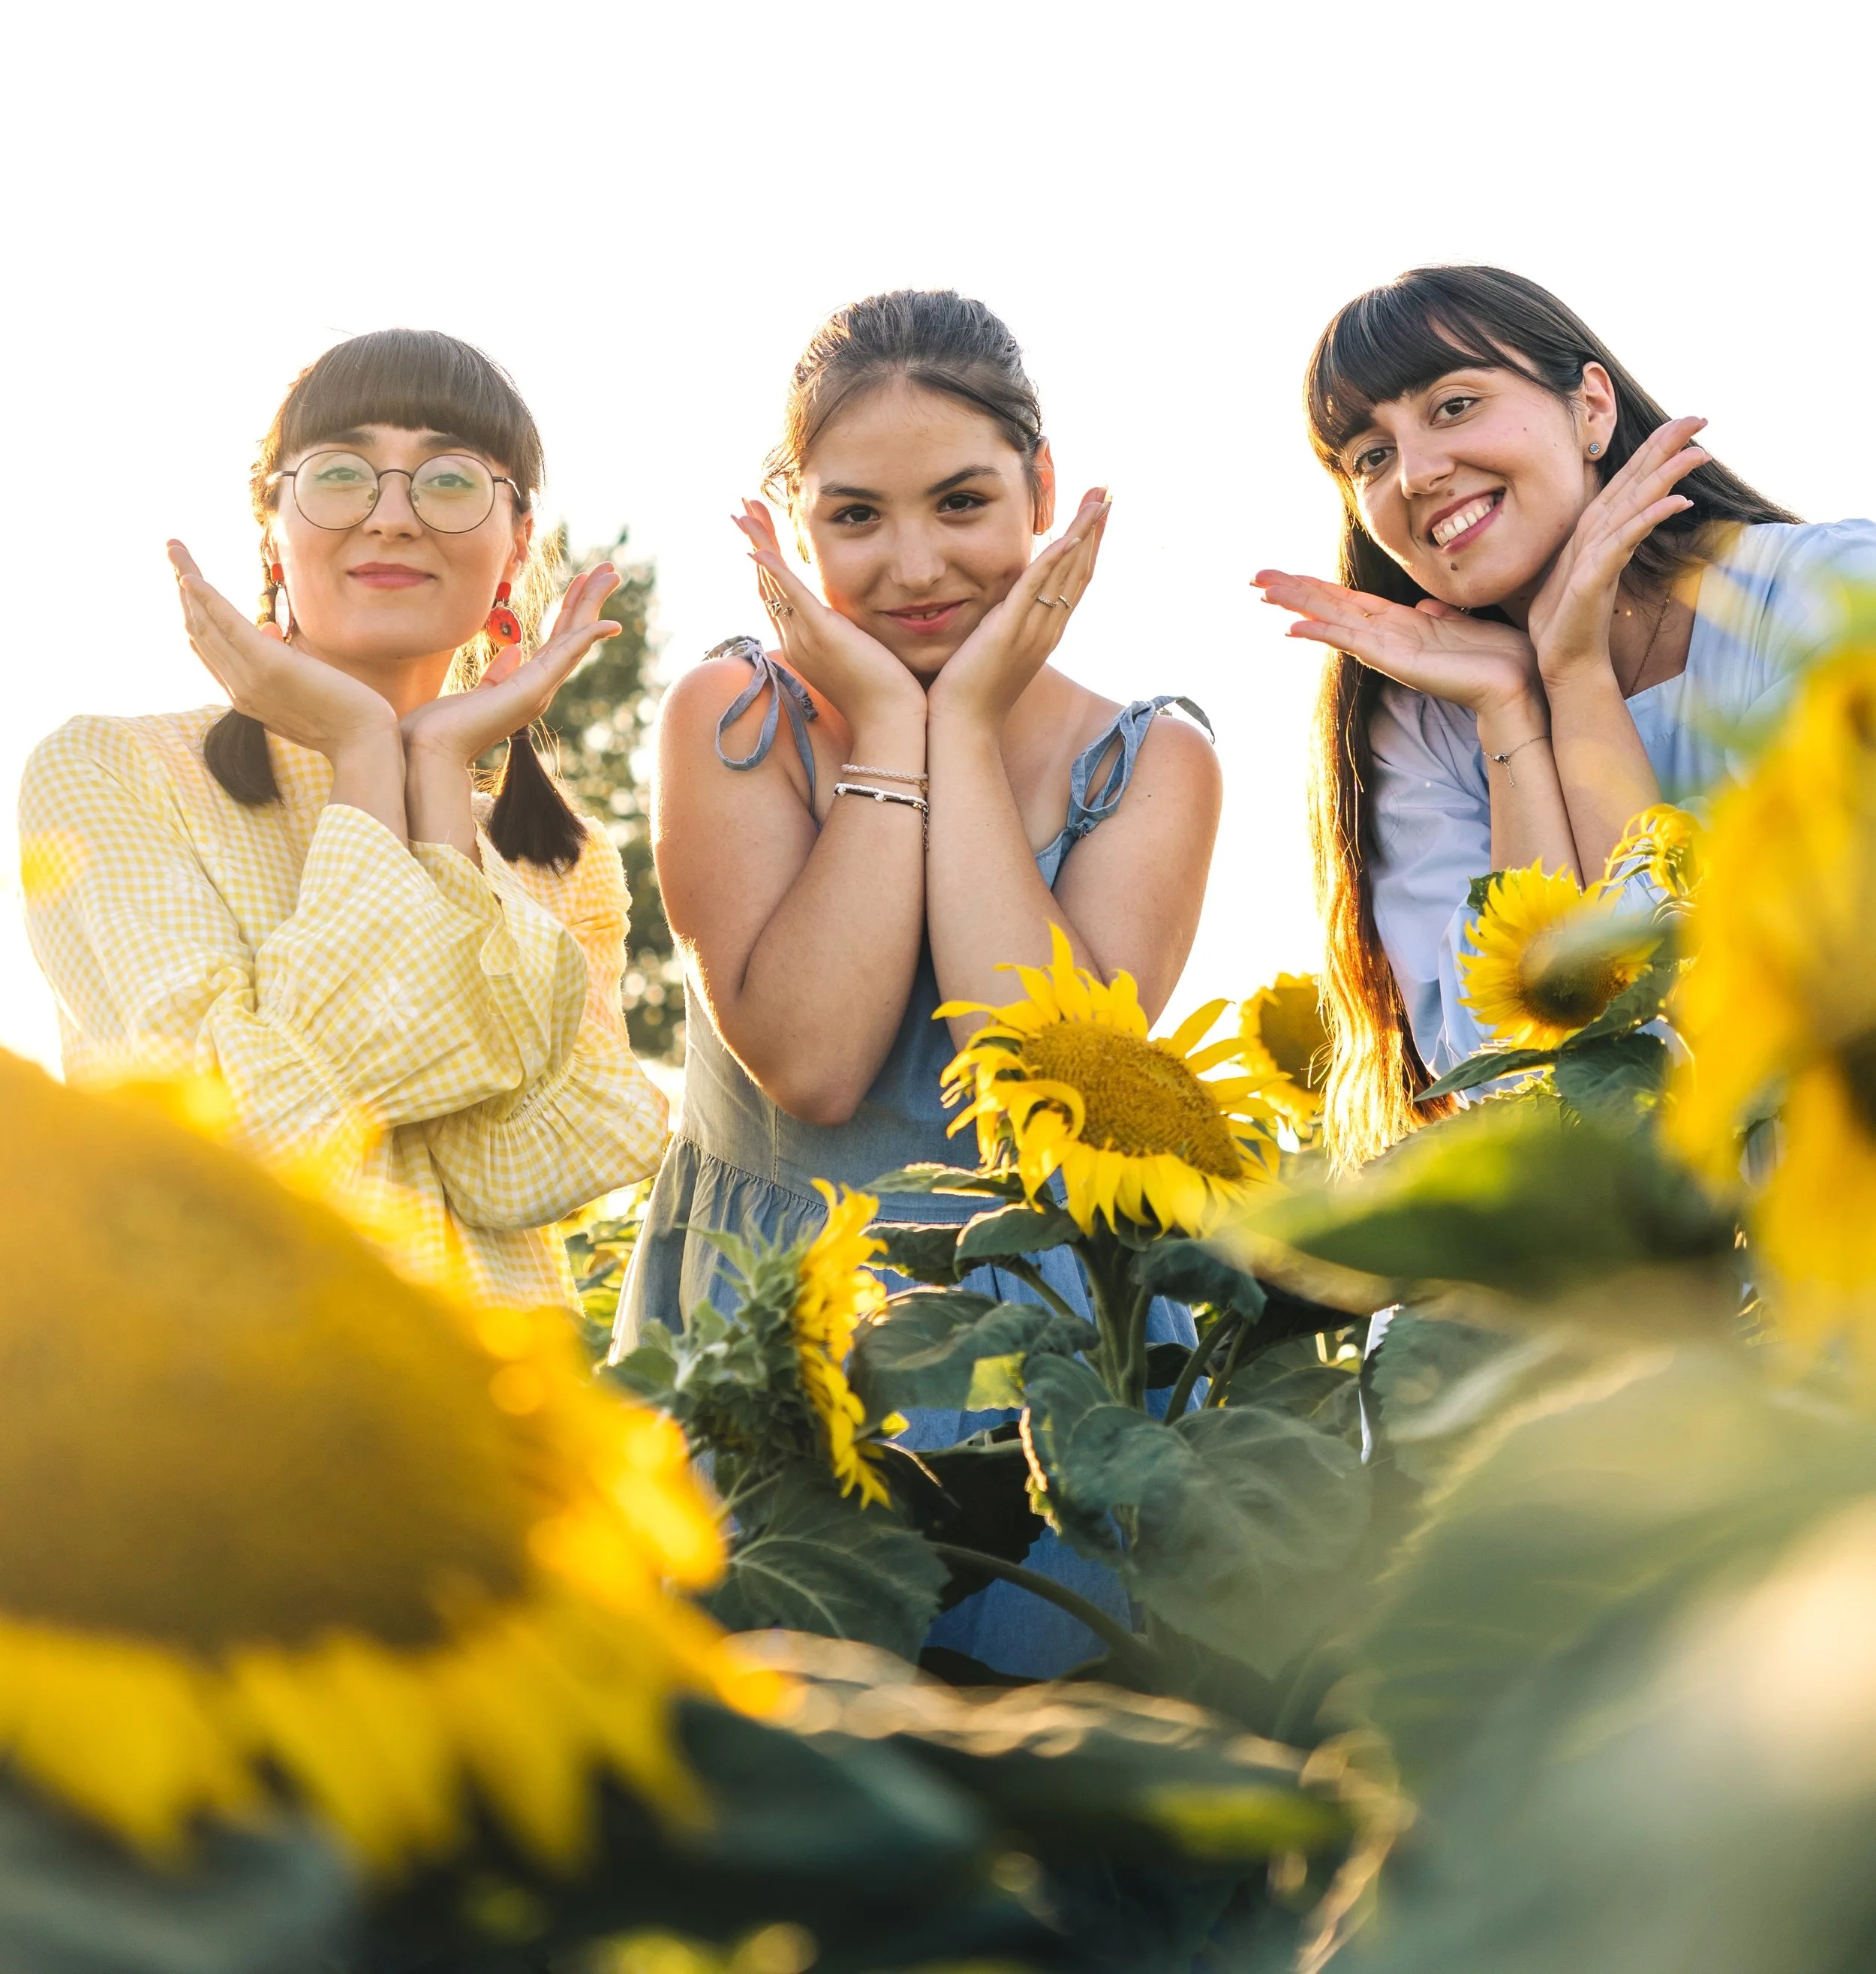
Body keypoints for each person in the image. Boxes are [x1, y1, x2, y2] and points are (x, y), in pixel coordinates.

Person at [621, 287, 1222, 1671]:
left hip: (1047, 1364)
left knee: (1040, 1803)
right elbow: (818, 1065)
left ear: (1042, 491)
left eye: (962, 503)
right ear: (796, 525)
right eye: (855, 518)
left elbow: (1050, 1068)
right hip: (766, 1326)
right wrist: (899, 719)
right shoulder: (736, 717)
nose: (912, 567)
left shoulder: (1150, 763)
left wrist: (955, 728)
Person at [19, 328, 667, 1304]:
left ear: (517, 544)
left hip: (509, 1417)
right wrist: (371, 753)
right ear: (272, 526)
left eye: (448, 480)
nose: (392, 516)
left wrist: (436, 768)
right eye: (340, 475)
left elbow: (519, 1170)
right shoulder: (107, 773)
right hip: (231, 1417)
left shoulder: (559, 866)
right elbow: (244, 1147)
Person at [1254, 264, 1876, 1169]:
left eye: (1454, 405)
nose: (1417, 474)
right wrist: (1513, 711)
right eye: (1369, 458)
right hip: (1641, 1261)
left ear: (1589, 407)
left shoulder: (1826, 593)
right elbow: (1513, 1071)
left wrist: (1575, 675)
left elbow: (1715, 989)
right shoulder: (1425, 723)